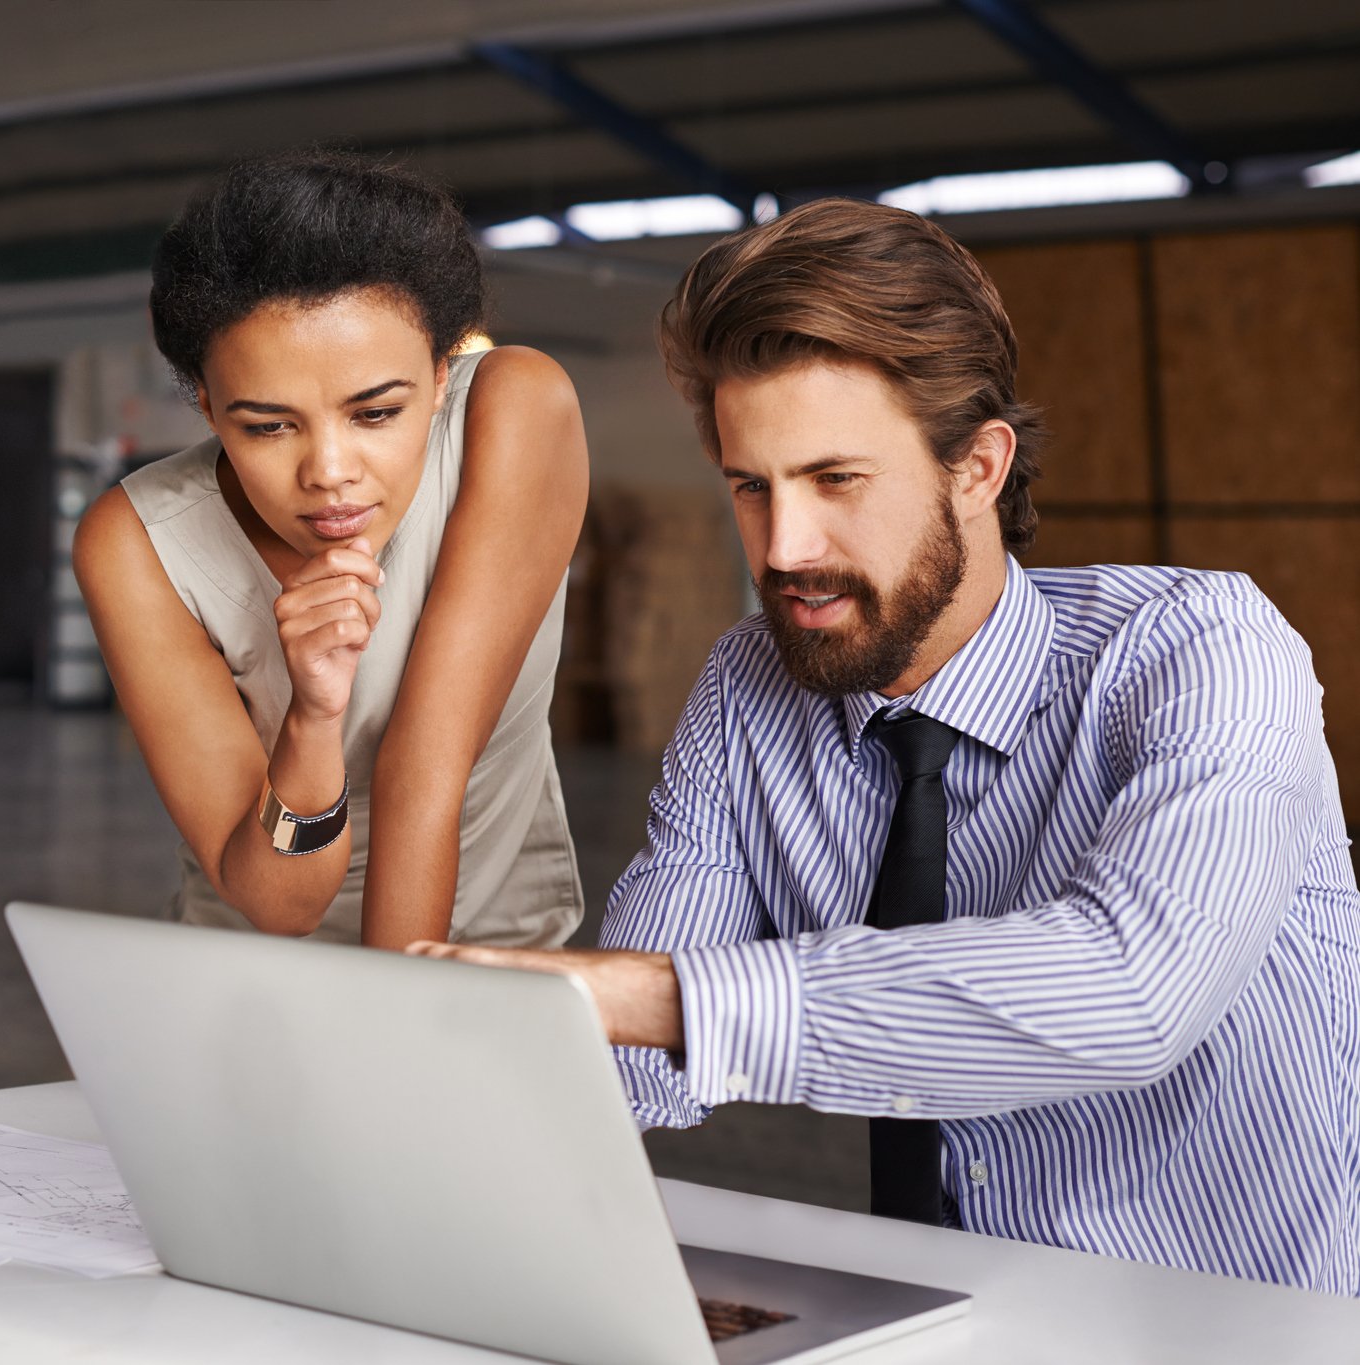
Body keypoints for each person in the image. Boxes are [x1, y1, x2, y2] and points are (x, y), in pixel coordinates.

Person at [410, 198, 1360, 1294]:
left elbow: (1136, 992)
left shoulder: (1204, 648)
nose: (784, 549)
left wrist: (656, 1001)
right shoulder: (748, 682)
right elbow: (632, 1060)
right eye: (749, 487)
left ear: (979, 468)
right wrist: (416, 1087)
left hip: (1245, 1324)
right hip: (948, 1311)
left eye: (836, 481)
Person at [75, 151, 589, 950]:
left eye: (376, 413)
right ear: (207, 406)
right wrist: (312, 719)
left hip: (483, 956)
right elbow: (283, 906)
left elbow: (423, 773)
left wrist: (385, 1035)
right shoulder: (136, 542)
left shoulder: (514, 408)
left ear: (441, 373)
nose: (329, 473)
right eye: (267, 426)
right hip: (252, 976)